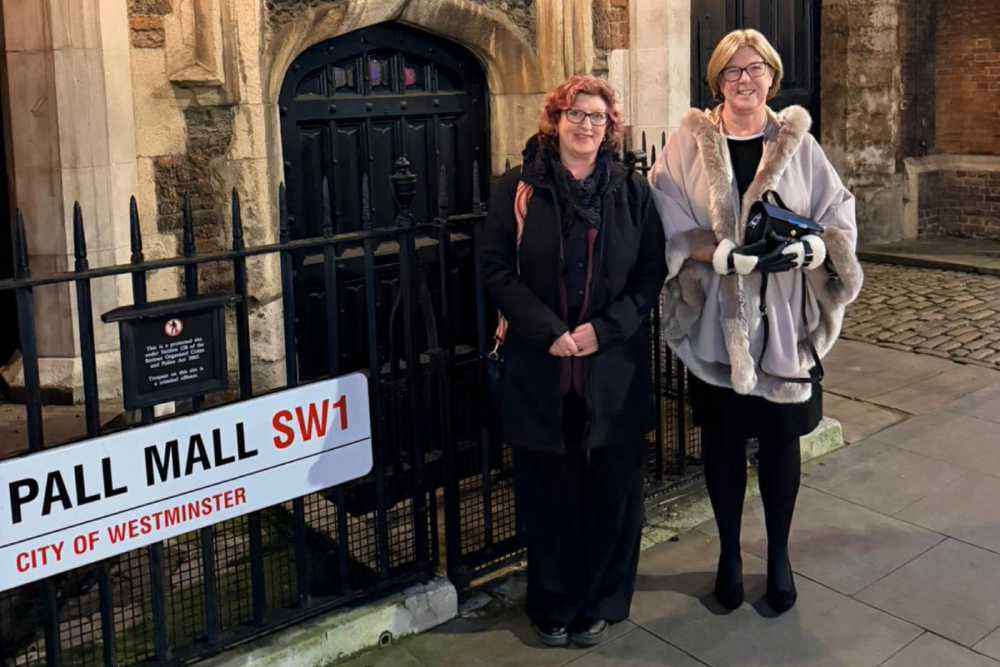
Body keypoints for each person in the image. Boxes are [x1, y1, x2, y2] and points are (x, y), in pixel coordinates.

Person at [648, 29, 863, 614]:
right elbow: (664, 216)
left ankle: (779, 556)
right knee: (721, 442)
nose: (745, 80)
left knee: (780, 443)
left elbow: (837, 209)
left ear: (772, 75)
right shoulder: (688, 143)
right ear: (717, 80)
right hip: (716, 325)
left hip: (784, 322)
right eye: (733, 71)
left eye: (756, 69)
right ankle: (728, 555)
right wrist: (719, 255)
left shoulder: (797, 143)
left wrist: (813, 249)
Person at [481, 75, 666, 647]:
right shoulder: (517, 188)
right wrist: (550, 333)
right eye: (576, 114)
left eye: (598, 117)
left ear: (611, 128)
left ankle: (604, 599)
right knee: (548, 493)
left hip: (612, 370)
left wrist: (603, 331)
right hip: (543, 367)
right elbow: (494, 268)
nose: (587, 125)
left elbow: (649, 274)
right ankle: (554, 600)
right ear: (555, 120)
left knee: (615, 492)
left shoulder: (632, 190)